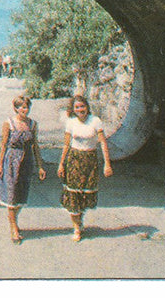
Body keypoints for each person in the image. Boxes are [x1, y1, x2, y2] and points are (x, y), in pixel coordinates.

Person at [58, 94, 113, 242]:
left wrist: (107, 164)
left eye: (82, 106)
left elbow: (102, 143)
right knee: (73, 194)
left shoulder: (95, 121)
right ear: (73, 109)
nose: (80, 109)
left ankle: (79, 221)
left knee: (85, 195)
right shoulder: (70, 123)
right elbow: (66, 144)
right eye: (77, 107)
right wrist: (61, 164)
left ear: (87, 107)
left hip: (90, 161)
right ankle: (76, 228)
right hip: (74, 160)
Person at [0, 95, 46, 243]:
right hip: (11, 161)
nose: (25, 110)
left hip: (26, 161)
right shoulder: (9, 123)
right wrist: (0, 165)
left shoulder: (32, 124)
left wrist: (40, 166)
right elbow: (4, 144)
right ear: (16, 108)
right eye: (22, 107)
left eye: (27, 107)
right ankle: (14, 228)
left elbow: (35, 145)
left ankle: (13, 219)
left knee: (21, 195)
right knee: (11, 194)